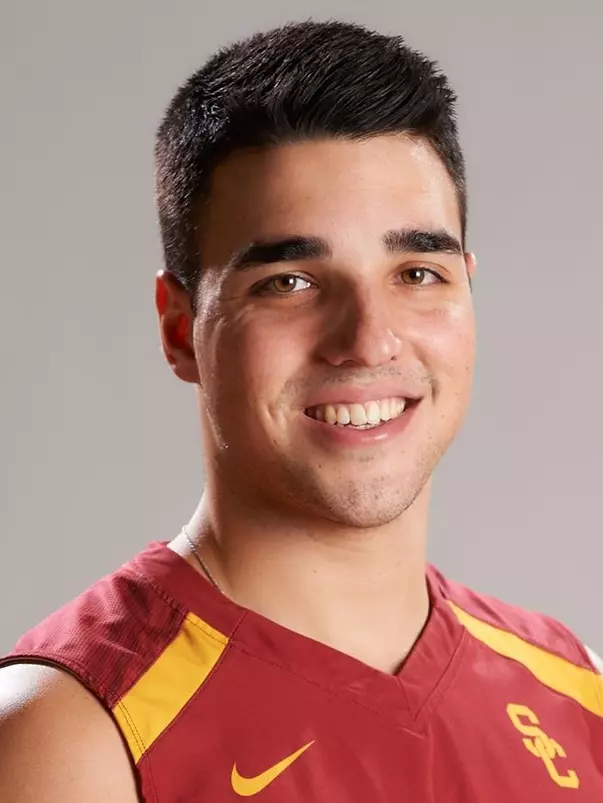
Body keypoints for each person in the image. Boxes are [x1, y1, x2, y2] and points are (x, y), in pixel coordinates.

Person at [0, 19, 601, 803]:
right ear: (179, 329)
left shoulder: (576, 694)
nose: (368, 339)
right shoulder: (71, 736)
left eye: (416, 273)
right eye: (288, 283)